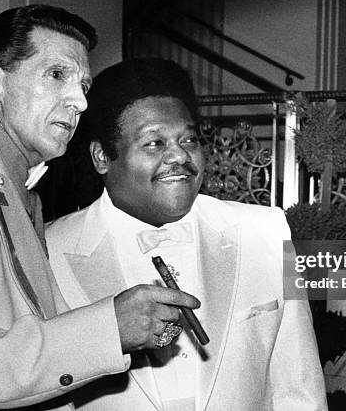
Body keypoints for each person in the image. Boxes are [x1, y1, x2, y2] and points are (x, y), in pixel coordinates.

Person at [0, 5, 199, 409]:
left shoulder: (12, 184)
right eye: (57, 75)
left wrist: (129, 328)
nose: (80, 102)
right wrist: (109, 329)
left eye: (83, 85)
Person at [45, 58, 328, 411]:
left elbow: (298, 388)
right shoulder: (49, 251)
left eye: (189, 139)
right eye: (154, 143)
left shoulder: (266, 232)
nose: (179, 155)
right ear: (102, 157)